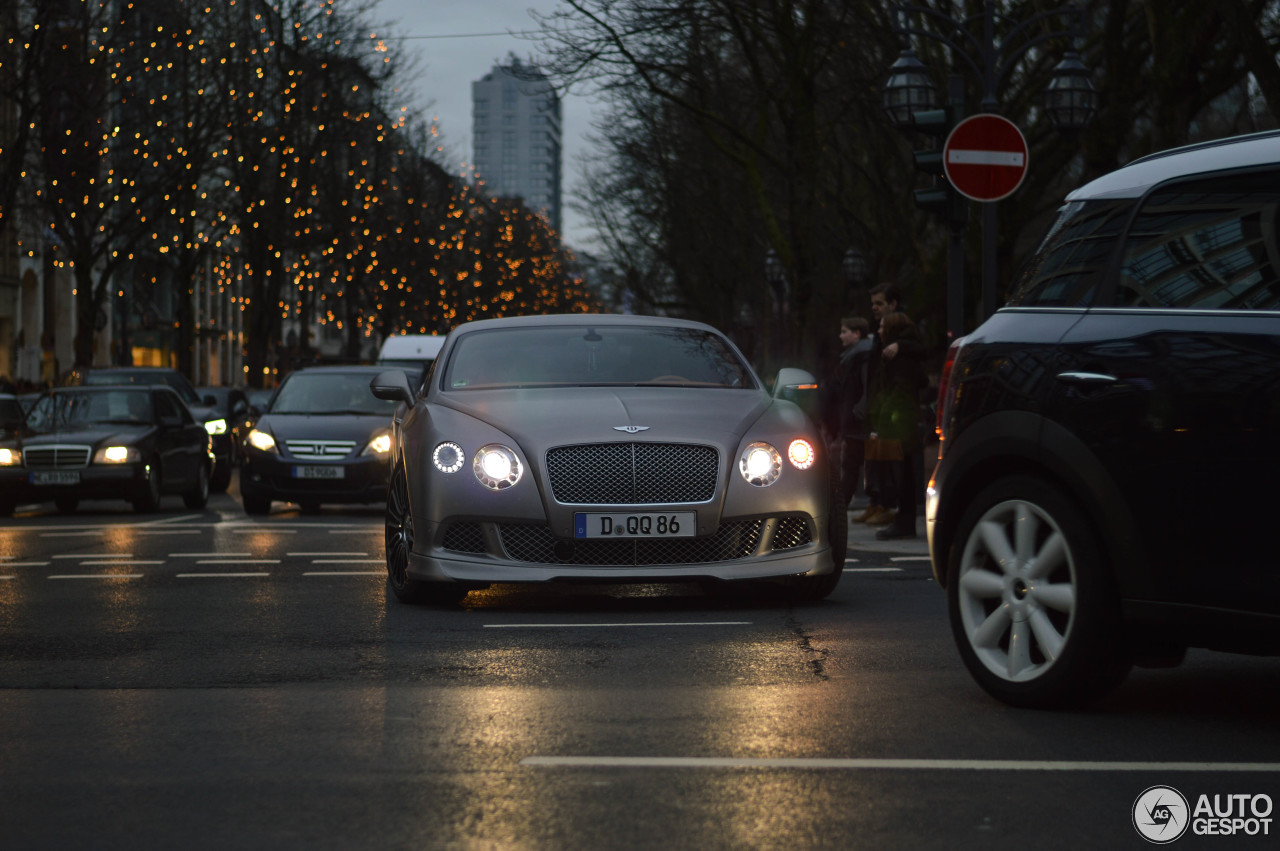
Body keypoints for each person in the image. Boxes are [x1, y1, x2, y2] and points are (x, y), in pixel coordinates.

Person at [870, 309, 927, 539]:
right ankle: (904, 521)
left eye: (883, 326)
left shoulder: (899, 355)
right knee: (903, 472)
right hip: (904, 419)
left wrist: (882, 413)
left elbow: (900, 389)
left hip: (899, 422)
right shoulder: (904, 350)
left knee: (901, 473)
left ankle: (904, 523)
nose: (879, 330)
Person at [818, 317, 872, 508]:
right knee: (854, 463)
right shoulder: (853, 356)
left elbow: (866, 388)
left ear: (857, 333)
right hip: (853, 418)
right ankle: (843, 503)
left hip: (857, 420)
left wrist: (858, 411)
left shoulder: (862, 356)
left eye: (844, 331)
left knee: (852, 464)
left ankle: (839, 505)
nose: (841, 336)